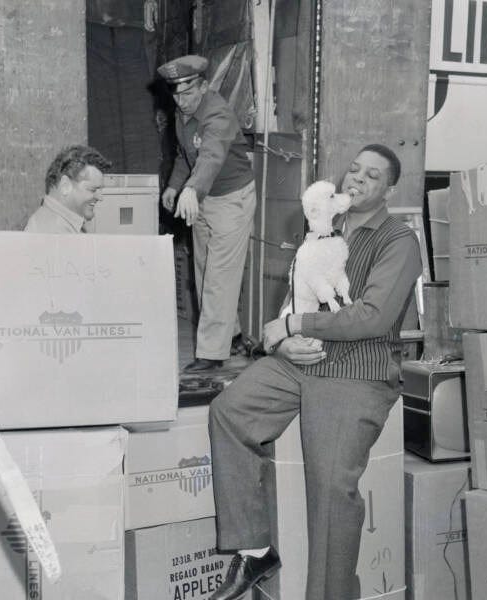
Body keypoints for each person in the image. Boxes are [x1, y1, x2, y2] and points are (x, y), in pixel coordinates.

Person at [208, 145, 422, 600]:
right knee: (230, 410)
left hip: (358, 370)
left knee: (328, 490)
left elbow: (373, 317)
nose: (357, 179)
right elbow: (297, 297)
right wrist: (285, 338)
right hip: (303, 360)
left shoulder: (398, 240)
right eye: (353, 170)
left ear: (389, 189)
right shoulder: (322, 230)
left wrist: (295, 325)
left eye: (373, 175)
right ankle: (255, 548)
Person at [158, 55, 256, 372]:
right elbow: (186, 154)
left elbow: (211, 155)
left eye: (187, 93)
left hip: (231, 199)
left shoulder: (218, 115)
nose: (181, 101)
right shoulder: (181, 112)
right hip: (201, 198)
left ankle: (213, 354)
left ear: (202, 86)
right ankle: (234, 336)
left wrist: (192, 189)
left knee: (219, 277)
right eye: (175, 94)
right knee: (204, 273)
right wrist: (176, 185)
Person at [24, 144, 111, 233]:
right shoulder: (54, 231)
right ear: (65, 186)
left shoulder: (56, 223)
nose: (100, 197)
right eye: (93, 190)